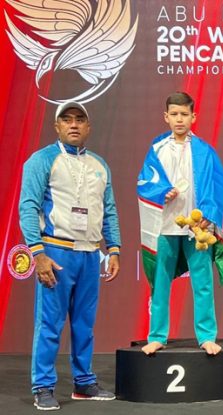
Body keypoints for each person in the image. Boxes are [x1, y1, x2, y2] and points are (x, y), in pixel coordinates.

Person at [19, 101, 121, 410]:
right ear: (57, 127)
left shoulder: (100, 164)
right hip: (56, 251)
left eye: (79, 120)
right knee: (50, 323)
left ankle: (84, 383)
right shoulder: (42, 160)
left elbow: (110, 210)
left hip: (90, 255)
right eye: (67, 120)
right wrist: (38, 254)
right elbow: (28, 207)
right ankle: (43, 386)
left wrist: (113, 248)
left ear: (88, 128)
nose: (74, 124)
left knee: (84, 323)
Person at [137, 92, 223, 356]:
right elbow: (144, 182)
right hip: (166, 225)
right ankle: (157, 335)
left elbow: (217, 186)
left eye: (184, 114)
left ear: (193, 117)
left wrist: (208, 216)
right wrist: (160, 192)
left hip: (197, 229)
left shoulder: (204, 150)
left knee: (202, 282)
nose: (179, 119)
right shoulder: (157, 149)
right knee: (160, 281)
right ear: (166, 117)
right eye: (174, 114)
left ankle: (207, 336)